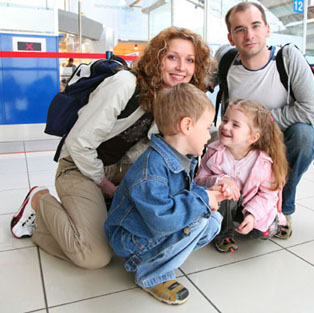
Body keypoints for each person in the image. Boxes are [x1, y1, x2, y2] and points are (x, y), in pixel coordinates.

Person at [10, 27, 212, 269]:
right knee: (94, 256)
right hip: (80, 166)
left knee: (125, 241)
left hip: (125, 170)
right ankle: (39, 202)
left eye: (190, 60)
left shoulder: (177, 100)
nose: (181, 67)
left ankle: (84, 217)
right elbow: (78, 144)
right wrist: (105, 185)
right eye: (172, 57)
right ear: (156, 58)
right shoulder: (125, 84)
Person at [105, 83, 227, 305]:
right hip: (131, 239)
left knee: (213, 221)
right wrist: (203, 200)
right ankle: (152, 275)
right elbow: (162, 220)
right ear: (187, 125)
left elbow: (182, 198)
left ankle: (160, 257)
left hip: (148, 229)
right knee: (199, 219)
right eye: (207, 127)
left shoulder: (182, 157)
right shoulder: (151, 170)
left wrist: (208, 197)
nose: (209, 136)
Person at [213, 2, 314, 238]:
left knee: (305, 136)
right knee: (209, 139)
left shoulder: (288, 58)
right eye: (240, 29)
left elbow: (312, 112)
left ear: (267, 29)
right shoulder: (225, 60)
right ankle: (225, 208)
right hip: (238, 143)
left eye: (255, 26)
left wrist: (260, 122)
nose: (249, 35)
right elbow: (198, 82)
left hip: (278, 139)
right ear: (231, 38)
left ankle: (284, 208)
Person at [195, 99, 288, 252]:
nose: (225, 126)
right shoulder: (213, 152)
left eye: (235, 124)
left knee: (259, 233)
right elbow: (198, 181)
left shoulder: (263, 162)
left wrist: (252, 215)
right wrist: (220, 180)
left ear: (253, 137)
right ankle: (224, 234)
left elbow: (267, 195)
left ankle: (275, 224)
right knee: (224, 192)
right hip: (225, 204)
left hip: (251, 205)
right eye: (225, 120)